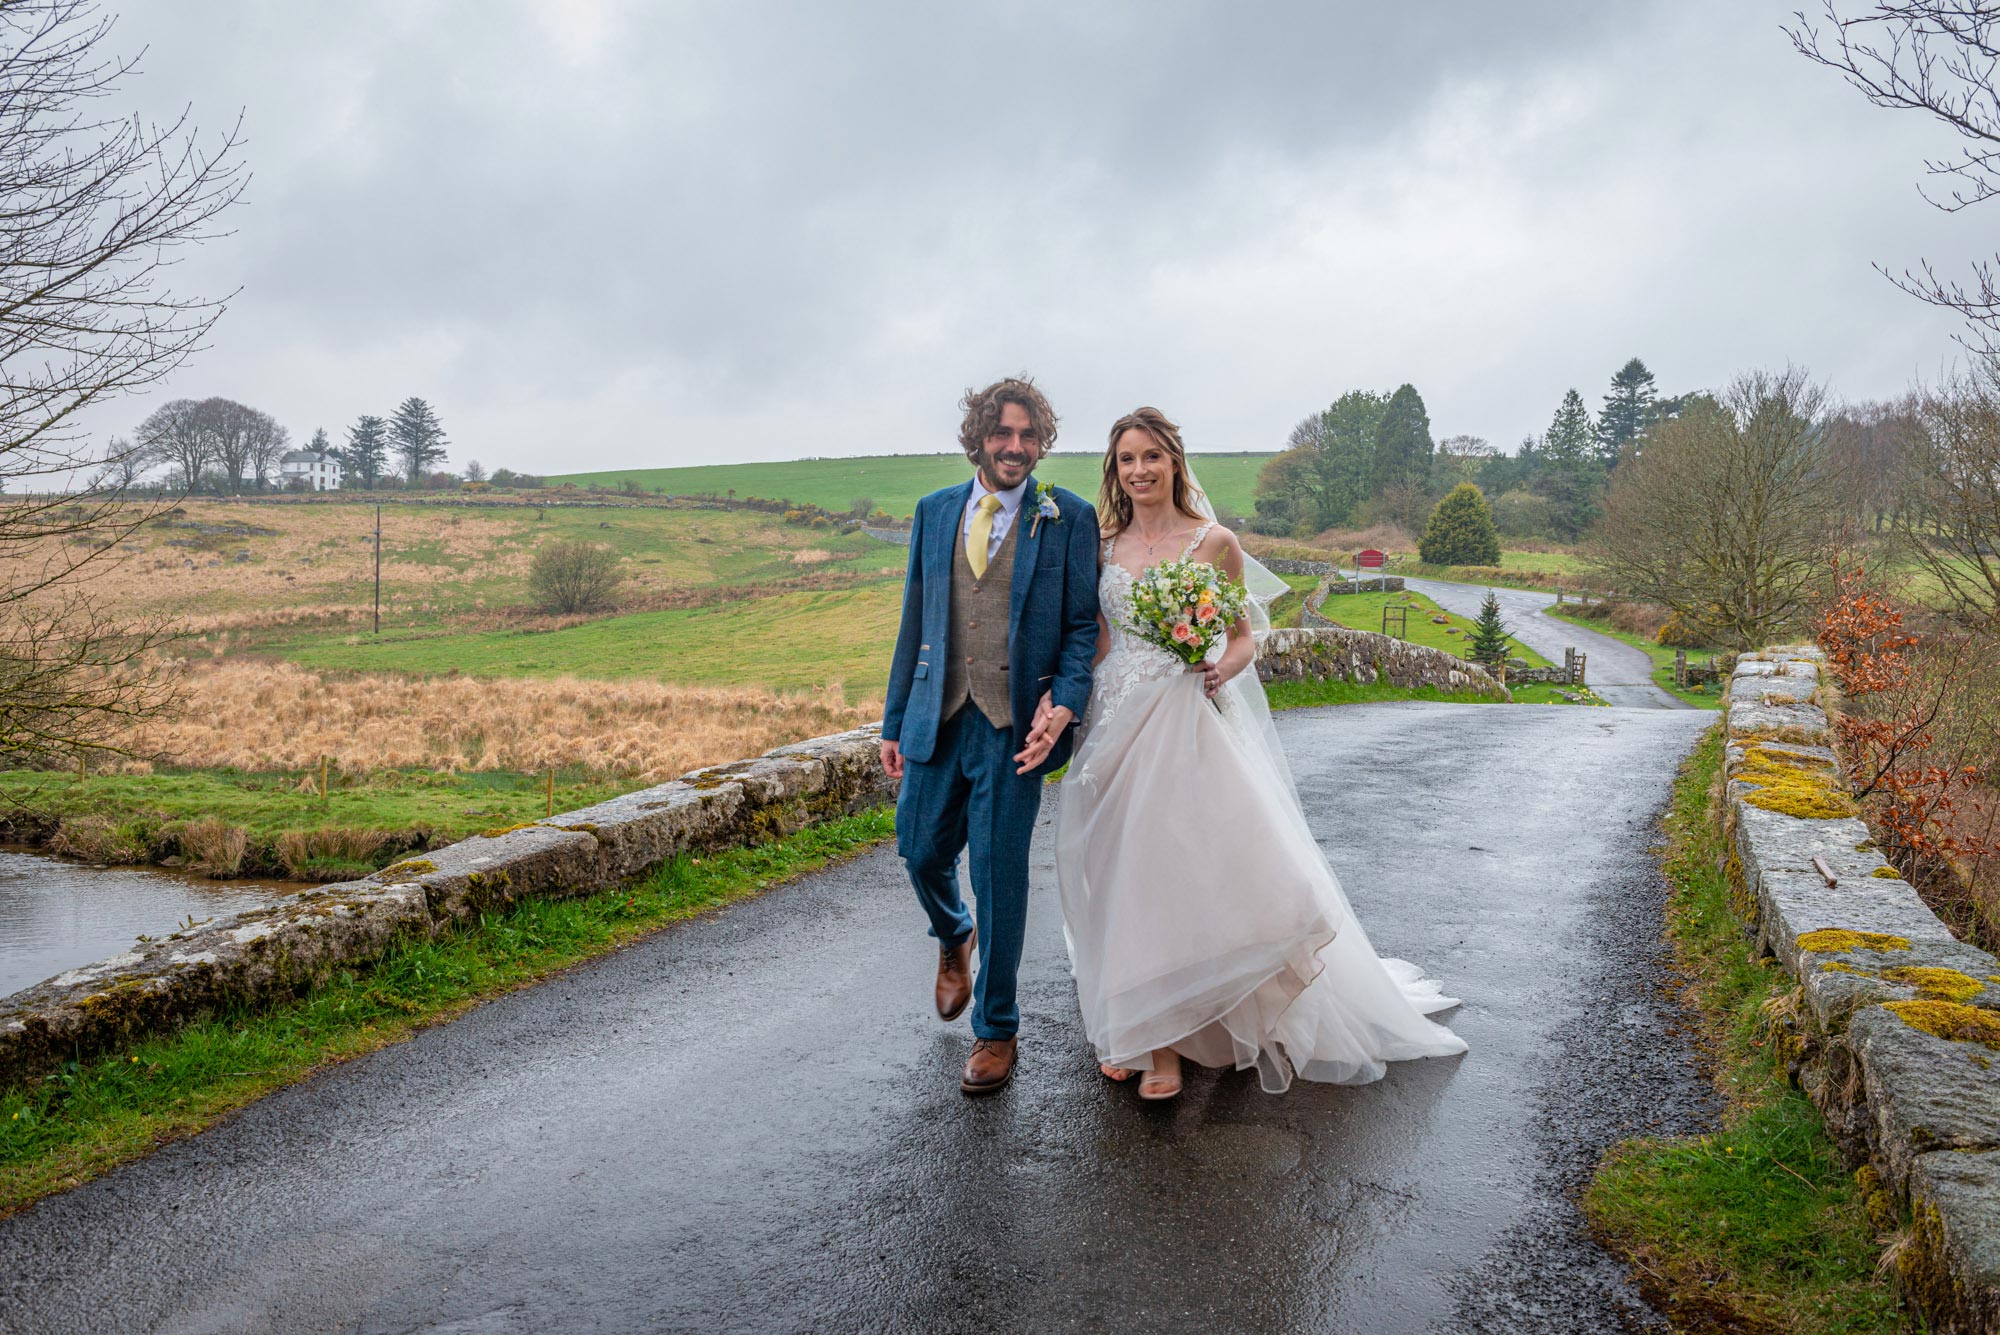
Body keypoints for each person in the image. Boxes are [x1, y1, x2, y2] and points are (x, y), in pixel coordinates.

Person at [1055, 407, 1466, 1101]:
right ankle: (1142, 1028)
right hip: (1114, 720)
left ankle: (1184, 1034)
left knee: (1185, 874)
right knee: (1123, 875)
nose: (1140, 470)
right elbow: (1096, 639)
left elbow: (1244, 637)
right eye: (1127, 459)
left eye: (1152, 455)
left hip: (1186, 720)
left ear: (1175, 462)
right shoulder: (1100, 545)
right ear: (1114, 470)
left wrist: (1220, 669)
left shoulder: (1214, 543)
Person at [880, 376, 1101, 1095]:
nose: (1016, 447)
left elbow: (1078, 631)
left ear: (1042, 442)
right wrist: (892, 721)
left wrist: (1062, 707)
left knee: (1001, 881)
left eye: (1029, 435)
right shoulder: (934, 511)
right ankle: (953, 933)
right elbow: (916, 619)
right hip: (938, 716)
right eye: (1003, 433)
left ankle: (996, 1028)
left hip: (1017, 730)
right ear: (978, 437)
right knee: (919, 850)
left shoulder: (1066, 516)